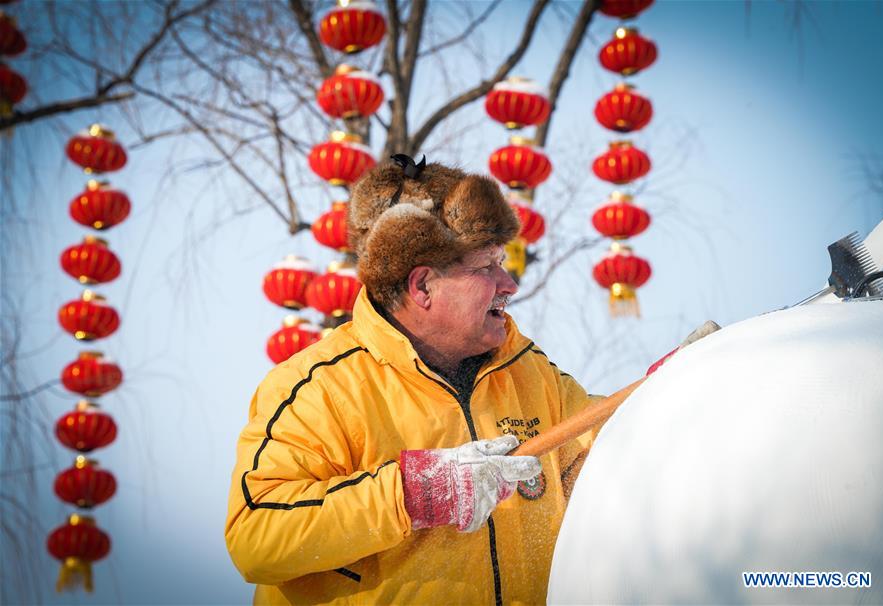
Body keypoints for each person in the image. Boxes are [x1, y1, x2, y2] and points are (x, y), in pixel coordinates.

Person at [225, 156, 612, 605]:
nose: (508, 283)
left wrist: (666, 389)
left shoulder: (530, 374)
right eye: (485, 267)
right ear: (423, 286)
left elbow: (607, 451)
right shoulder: (319, 388)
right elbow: (256, 536)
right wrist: (413, 495)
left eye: (502, 262)